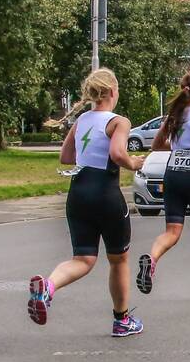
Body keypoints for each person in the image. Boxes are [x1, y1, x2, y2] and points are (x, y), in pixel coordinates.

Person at [27, 68, 145, 337]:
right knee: (118, 259)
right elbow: (117, 153)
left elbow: (66, 156)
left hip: (77, 192)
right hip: (105, 193)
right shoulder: (119, 121)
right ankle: (121, 320)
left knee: (82, 258)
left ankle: (49, 286)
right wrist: (134, 163)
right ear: (113, 92)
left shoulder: (81, 120)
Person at [136, 71, 190, 301]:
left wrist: (177, 149)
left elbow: (156, 144)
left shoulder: (174, 114)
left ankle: (152, 259)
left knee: (172, 231)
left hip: (173, 175)